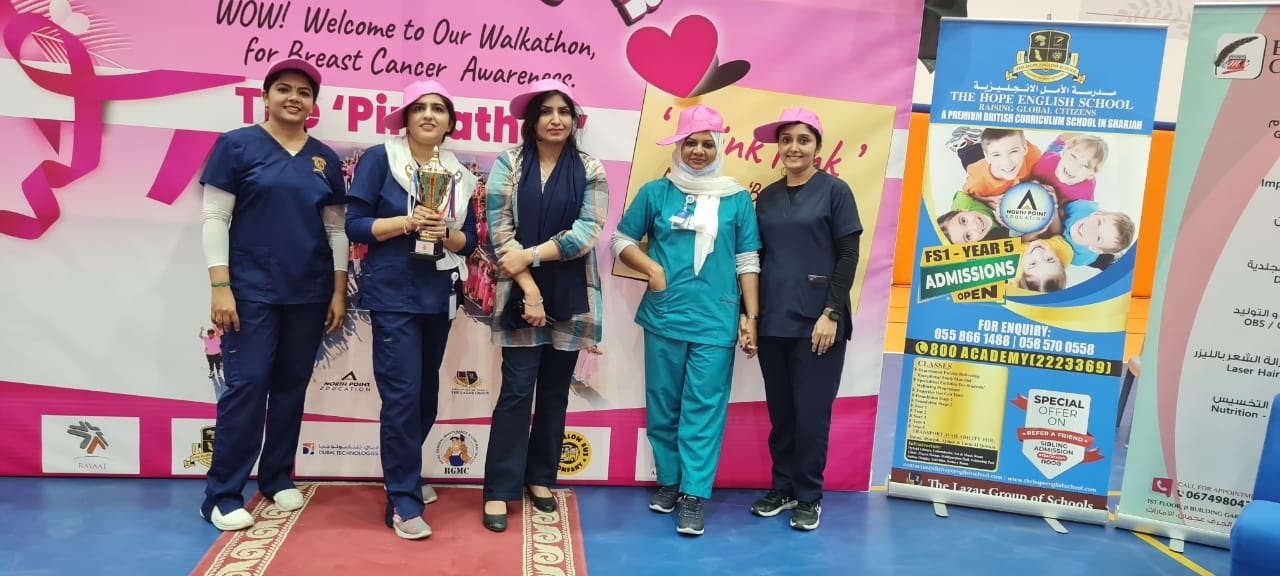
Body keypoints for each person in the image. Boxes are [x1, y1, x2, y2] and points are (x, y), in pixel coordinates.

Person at [198, 58, 348, 531]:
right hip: (250, 292)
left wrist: (338, 290)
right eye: (284, 89)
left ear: (313, 104)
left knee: (290, 386)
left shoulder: (324, 159)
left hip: (309, 291)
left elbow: (336, 230)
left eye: (304, 92)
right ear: (265, 96)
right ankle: (221, 495)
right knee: (247, 386)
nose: (293, 98)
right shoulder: (237, 145)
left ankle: (277, 475)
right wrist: (221, 286)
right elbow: (215, 219)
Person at [612, 104, 761, 536]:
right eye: (690, 143)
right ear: (678, 147)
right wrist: (652, 270)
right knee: (663, 404)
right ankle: (669, 481)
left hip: (716, 320)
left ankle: (694, 495)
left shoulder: (736, 198)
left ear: (719, 147)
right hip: (664, 315)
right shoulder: (656, 193)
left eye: (706, 144)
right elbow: (621, 239)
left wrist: (751, 315)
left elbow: (747, 259)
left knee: (703, 408)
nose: (698, 151)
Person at [345, 80, 479, 540]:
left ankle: (406, 474)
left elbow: (470, 240)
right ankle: (402, 500)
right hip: (393, 294)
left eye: (438, 108)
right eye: (419, 107)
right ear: (404, 117)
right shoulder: (380, 158)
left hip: (439, 292)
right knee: (401, 397)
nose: (428, 115)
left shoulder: (458, 173)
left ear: (450, 121)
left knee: (425, 396)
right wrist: (407, 222)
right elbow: (355, 225)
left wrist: (445, 233)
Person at [481, 79, 608, 533]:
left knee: (554, 393)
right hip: (520, 295)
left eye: (564, 111)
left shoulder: (590, 167)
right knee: (517, 391)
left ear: (574, 120)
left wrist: (532, 255)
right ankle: (499, 489)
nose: (556, 119)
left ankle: (540, 478)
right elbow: (500, 233)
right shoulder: (510, 163)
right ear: (532, 120)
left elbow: (587, 232)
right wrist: (530, 291)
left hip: (573, 297)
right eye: (547, 111)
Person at [748, 108, 861, 531]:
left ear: (817, 147)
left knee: (812, 415)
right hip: (774, 320)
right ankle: (782, 489)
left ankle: (809, 496)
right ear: (778, 147)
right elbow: (756, 258)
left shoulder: (836, 191)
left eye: (803, 140)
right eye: (787, 140)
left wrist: (831, 312)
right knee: (782, 415)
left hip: (819, 324)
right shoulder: (767, 197)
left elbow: (848, 256)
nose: (794, 147)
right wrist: (750, 316)